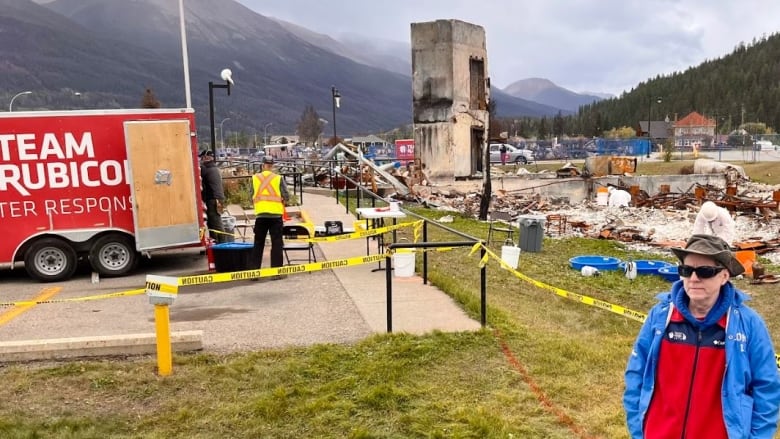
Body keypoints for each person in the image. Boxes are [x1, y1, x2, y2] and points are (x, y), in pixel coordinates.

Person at [623, 234, 780, 439]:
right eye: (686, 270)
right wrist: (639, 429)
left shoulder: (749, 324)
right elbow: (636, 374)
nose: (694, 278)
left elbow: (767, 388)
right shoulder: (660, 316)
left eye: (705, 271)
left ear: (724, 276)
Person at [249, 155, 289, 279]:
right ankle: (276, 273)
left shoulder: (255, 178)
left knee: (258, 243)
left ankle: (254, 272)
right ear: (272, 165)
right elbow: (286, 196)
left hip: (260, 216)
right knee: (276, 243)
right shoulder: (278, 178)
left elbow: (251, 195)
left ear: (262, 165)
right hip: (275, 216)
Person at [199, 150, 225, 242]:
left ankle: (223, 244)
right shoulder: (215, 168)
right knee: (212, 222)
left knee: (216, 222)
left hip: (213, 199)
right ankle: (214, 243)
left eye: (201, 158)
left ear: (206, 158)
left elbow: (198, 176)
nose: (200, 160)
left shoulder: (205, 168)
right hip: (219, 198)